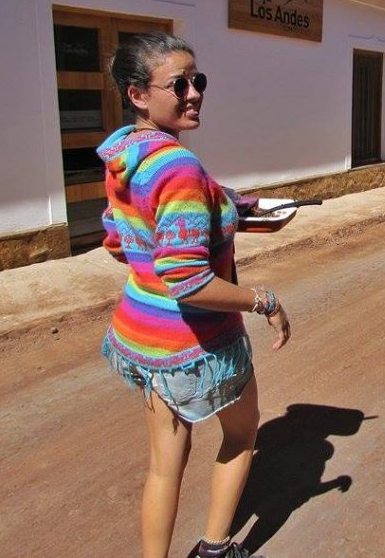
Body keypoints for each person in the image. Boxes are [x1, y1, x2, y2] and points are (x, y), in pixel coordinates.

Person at [98, 32, 290, 558]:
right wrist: (264, 301)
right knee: (242, 435)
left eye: (197, 80)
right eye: (178, 84)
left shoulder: (126, 155)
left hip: (145, 335)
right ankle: (215, 547)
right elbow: (189, 279)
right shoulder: (180, 169)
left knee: (164, 466)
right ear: (139, 94)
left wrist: (226, 204)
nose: (193, 93)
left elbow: (118, 240)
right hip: (197, 342)